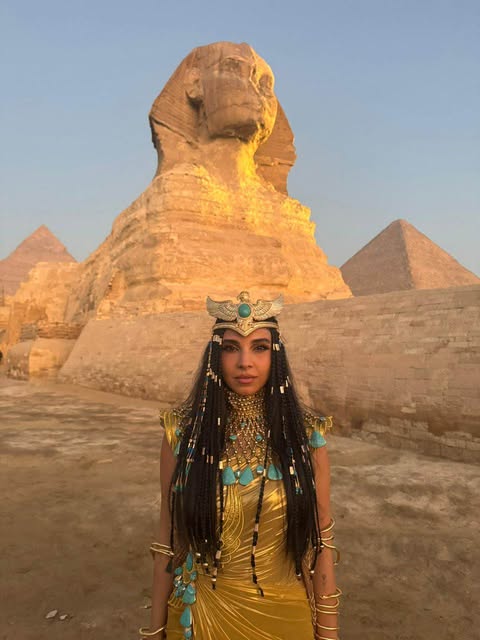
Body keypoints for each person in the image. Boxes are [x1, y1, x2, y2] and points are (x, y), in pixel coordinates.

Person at [140, 291, 341, 640]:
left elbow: (320, 546)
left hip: (284, 615)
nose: (245, 362)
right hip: (198, 617)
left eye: (259, 348)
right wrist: (154, 632)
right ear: (215, 356)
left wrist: (328, 634)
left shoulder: (306, 438)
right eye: (231, 348)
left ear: (276, 355)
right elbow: (169, 541)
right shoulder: (183, 434)